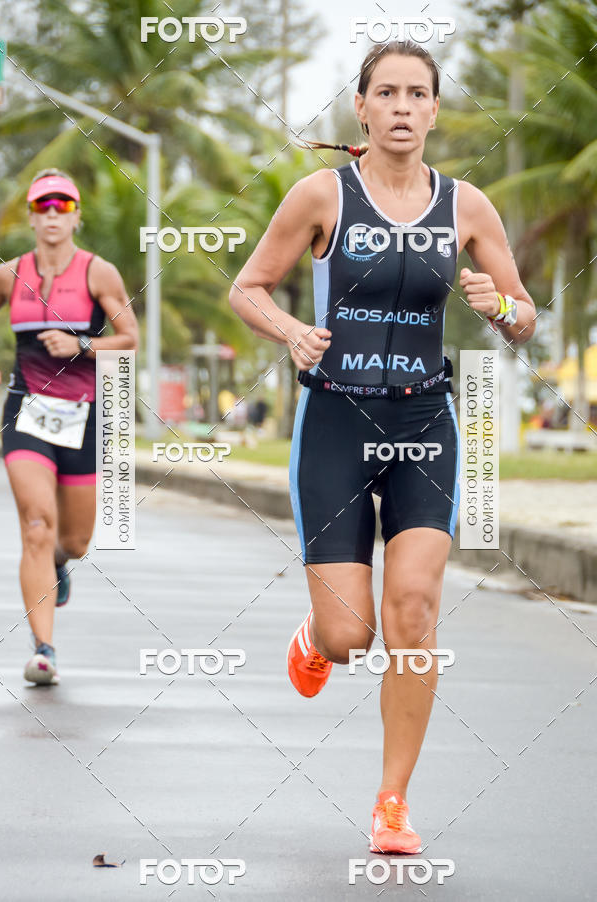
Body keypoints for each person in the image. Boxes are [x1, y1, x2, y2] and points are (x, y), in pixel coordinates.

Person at [229, 40, 535, 854]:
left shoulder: (467, 207)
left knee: (415, 613)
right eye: (387, 93)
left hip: (423, 423)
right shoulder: (321, 195)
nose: (403, 107)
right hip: (335, 419)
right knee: (348, 636)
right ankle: (315, 636)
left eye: (418, 94)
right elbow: (247, 286)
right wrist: (292, 330)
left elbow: (524, 316)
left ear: (435, 110)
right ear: (361, 109)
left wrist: (495, 299)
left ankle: (392, 802)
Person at [0, 169, 139, 685]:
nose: (53, 215)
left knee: (74, 540)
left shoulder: (99, 273)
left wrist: (81, 344)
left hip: (82, 417)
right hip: (25, 415)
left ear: (76, 215)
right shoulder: (9, 274)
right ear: (32, 217)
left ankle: (60, 560)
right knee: (35, 524)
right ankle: (44, 650)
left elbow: (129, 337)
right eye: (43, 207)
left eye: (63, 206)